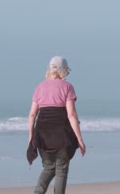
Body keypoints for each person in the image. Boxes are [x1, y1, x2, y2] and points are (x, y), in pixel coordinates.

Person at [27, 56, 86, 194]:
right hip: (62, 134)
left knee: (48, 168)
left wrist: (31, 137)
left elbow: (31, 115)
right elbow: (71, 115)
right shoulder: (67, 87)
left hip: (42, 133)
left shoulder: (40, 87)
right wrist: (80, 139)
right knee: (61, 168)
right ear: (64, 71)